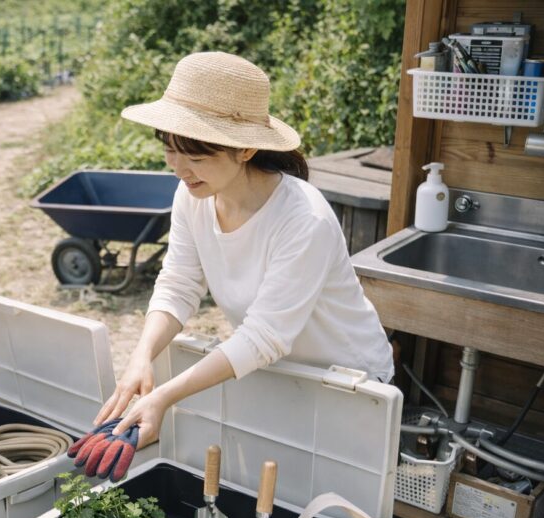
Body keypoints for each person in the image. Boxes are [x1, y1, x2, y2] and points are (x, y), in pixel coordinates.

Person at [93, 52, 394, 452]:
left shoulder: (304, 220)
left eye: (196, 156)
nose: (179, 168)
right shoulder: (193, 194)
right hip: (277, 373)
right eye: (170, 149)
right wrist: (142, 355)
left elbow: (263, 335)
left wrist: (163, 396)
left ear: (246, 150)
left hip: (350, 382)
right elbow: (179, 285)